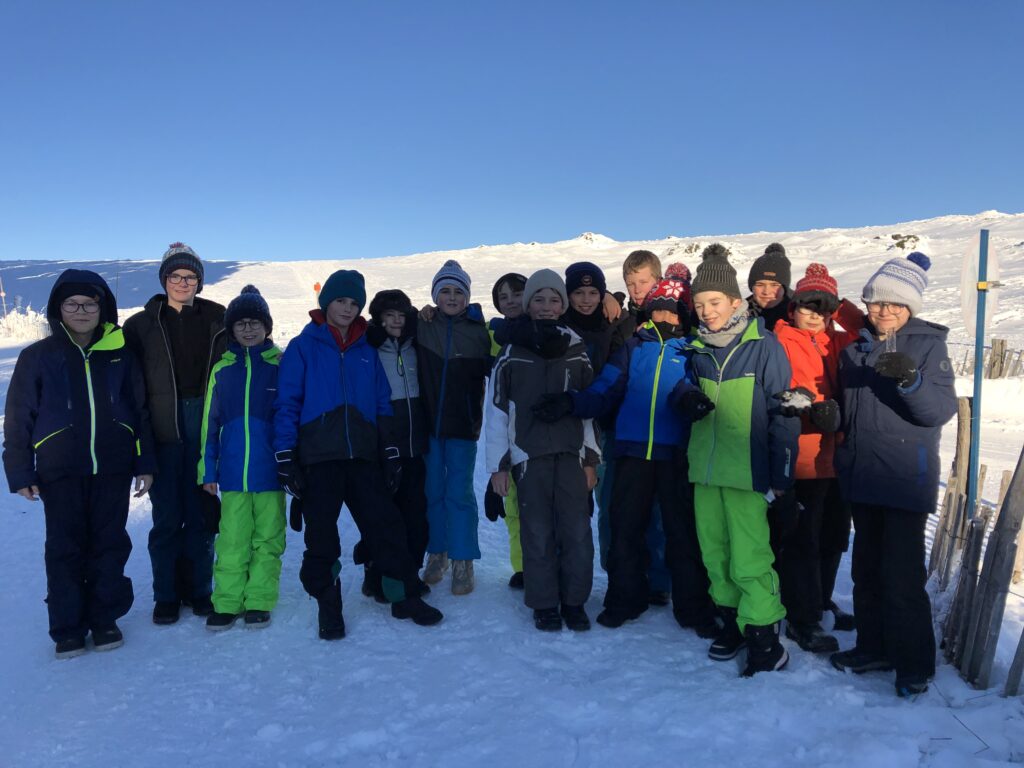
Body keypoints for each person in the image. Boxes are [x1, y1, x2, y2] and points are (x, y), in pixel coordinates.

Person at [538, 263, 717, 636]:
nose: (664, 317)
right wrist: (572, 402)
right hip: (632, 453)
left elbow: (694, 388)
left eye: (672, 311)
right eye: (658, 310)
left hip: (675, 456)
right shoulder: (634, 348)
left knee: (682, 534)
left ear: (684, 315)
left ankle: (693, 608)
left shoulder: (693, 350)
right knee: (624, 528)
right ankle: (624, 599)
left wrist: (692, 400)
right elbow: (605, 388)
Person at [274, 269, 443, 640]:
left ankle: (405, 597)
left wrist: (390, 449)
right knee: (322, 538)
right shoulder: (303, 347)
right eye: (340, 301)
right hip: (319, 457)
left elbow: (382, 402)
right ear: (326, 302)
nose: (348, 308)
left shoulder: (367, 349)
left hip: (363, 457)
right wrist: (285, 454)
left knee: (387, 527)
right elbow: (287, 403)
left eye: (354, 303)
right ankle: (328, 605)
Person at [4, 269, 155, 658]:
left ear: (103, 308)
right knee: (65, 548)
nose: (82, 311)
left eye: (90, 303)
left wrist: (145, 461)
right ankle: (68, 627)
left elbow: (139, 410)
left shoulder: (121, 353)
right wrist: (19, 469)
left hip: (113, 467)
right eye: (72, 304)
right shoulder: (39, 357)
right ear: (58, 309)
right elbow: (18, 416)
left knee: (109, 543)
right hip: (59, 470)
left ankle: (105, 619)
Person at [829, 252, 956, 697]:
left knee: (901, 578)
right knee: (865, 573)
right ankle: (873, 647)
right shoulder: (854, 350)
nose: (884, 310)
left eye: (895, 303)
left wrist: (911, 382)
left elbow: (938, 412)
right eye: (877, 302)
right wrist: (828, 416)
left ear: (910, 307)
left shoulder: (927, 346)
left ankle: (914, 663)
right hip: (863, 477)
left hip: (903, 480)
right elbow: (850, 413)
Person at [675, 243, 800, 677]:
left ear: (734, 301)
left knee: (750, 558)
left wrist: (782, 474)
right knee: (716, 555)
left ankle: (764, 637)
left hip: (748, 474)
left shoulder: (763, 346)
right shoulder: (697, 350)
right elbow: (679, 390)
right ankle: (733, 624)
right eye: (700, 304)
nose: (707, 311)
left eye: (714, 302)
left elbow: (784, 411)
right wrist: (684, 397)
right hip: (706, 473)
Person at [486, 269, 599, 631]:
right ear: (528, 304)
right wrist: (498, 466)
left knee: (577, 530)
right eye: (538, 299)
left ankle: (575, 600)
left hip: (571, 455)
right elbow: (497, 412)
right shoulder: (510, 353)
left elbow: (588, 409)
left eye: (553, 299)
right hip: (528, 456)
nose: (546, 306)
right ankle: (545, 602)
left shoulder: (576, 349)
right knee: (536, 532)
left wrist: (591, 459)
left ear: (562, 305)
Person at [124, 243, 226, 625]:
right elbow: (129, 384)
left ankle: (199, 590)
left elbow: (248, 350)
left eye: (190, 276)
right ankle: (166, 595)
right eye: (176, 276)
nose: (183, 282)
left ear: (199, 281)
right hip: (163, 427)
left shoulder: (218, 318)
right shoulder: (141, 325)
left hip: (204, 423)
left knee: (201, 515)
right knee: (167, 518)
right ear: (164, 280)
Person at [770, 264, 864, 653]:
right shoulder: (779, 340)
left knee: (833, 537)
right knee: (802, 541)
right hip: (803, 457)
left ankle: (821, 601)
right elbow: (778, 393)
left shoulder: (835, 340)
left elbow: (866, 330)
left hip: (837, 459)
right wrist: (809, 409)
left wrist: (838, 305)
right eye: (807, 305)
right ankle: (801, 617)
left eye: (822, 308)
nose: (814, 315)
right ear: (793, 308)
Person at [198, 286, 286, 630]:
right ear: (231, 330)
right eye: (241, 324)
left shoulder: (280, 365)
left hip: (270, 474)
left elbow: (291, 417)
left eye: (255, 323)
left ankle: (259, 600)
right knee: (232, 539)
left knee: (268, 539)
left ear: (267, 327)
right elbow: (209, 422)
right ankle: (227, 602)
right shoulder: (222, 369)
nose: (248, 329)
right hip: (233, 474)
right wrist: (208, 469)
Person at [601, 250, 673, 606]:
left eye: (644, 282)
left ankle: (658, 579)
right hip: (622, 431)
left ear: (658, 280)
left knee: (658, 511)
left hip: (664, 432)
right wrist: (607, 296)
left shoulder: (674, 318)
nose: (637, 289)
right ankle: (620, 574)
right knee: (616, 507)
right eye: (630, 284)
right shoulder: (622, 321)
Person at [416, 260, 491, 594]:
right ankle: (438, 553)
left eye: (458, 292)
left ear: (467, 297)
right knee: (432, 491)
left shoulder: (479, 331)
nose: (451, 297)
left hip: (463, 426)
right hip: (429, 426)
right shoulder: (423, 325)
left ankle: (463, 559)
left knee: (459, 494)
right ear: (434, 296)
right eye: (444, 291)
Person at [363, 289, 431, 599]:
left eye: (401, 316)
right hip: (384, 448)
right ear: (378, 319)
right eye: (389, 316)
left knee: (415, 515)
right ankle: (375, 573)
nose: (396, 321)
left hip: (415, 446)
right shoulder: (370, 349)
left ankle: (409, 574)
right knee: (383, 516)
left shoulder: (416, 344)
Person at [484, 272, 528, 589]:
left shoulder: (547, 326)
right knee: (512, 506)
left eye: (517, 293)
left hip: (540, 433)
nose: (510, 301)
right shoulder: (493, 334)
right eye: (503, 297)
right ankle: (523, 567)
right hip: (507, 429)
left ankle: (547, 564)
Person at [747, 242, 792, 332]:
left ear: (785, 288)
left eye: (774, 285)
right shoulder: (740, 314)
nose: (766, 292)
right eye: (760, 285)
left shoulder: (800, 315)